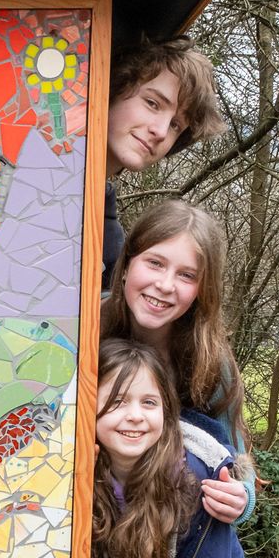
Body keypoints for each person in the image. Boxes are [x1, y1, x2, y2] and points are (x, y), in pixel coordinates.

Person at [101, 199, 256, 525]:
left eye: (186, 275)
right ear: (126, 264)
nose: (165, 285)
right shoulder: (83, 324)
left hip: (169, 531)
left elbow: (238, 458)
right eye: (155, 263)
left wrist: (242, 498)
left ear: (202, 289)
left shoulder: (210, 360)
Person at [90, 338, 259, 558]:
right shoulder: (77, 475)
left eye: (149, 402)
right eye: (117, 401)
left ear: (166, 411)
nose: (135, 416)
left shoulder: (197, 481)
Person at [102, 36, 227, 289]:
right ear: (115, 87)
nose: (160, 131)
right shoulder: (30, 164)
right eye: (152, 103)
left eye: (175, 125)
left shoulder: (109, 242)